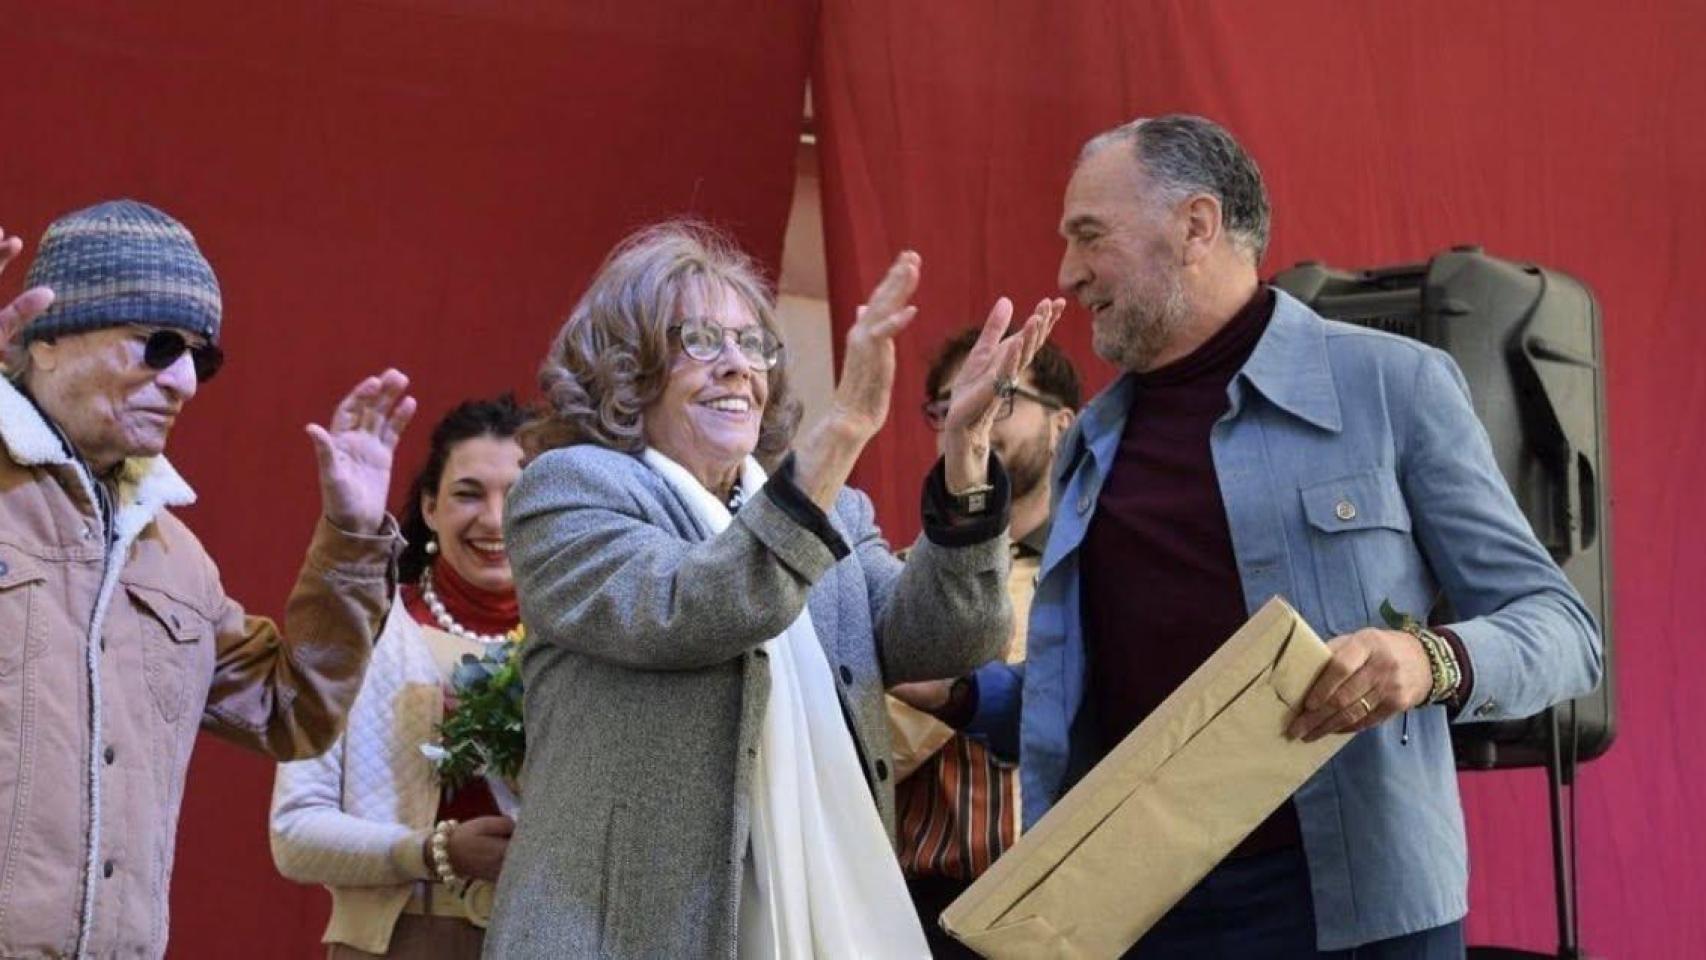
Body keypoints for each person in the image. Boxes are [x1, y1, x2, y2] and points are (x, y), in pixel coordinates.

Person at [963, 115, 1603, 957]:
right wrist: (962, 696)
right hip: (1132, 915)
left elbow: (1563, 633)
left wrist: (1428, 660)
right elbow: (1095, 693)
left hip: (1357, 915)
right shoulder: (1090, 442)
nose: (1068, 273)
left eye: (1089, 237)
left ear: (1196, 225)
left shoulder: (1393, 386)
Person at [481, 221, 1063, 959]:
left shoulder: (832, 514)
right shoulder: (568, 491)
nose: (738, 368)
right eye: (700, 342)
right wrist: (846, 426)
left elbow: (950, 638)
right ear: (627, 369)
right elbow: (691, 607)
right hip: (622, 931)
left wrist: (965, 463)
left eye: (752, 344)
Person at [0, 200, 412, 959]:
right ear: (47, 342)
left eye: (202, 356)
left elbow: (293, 711)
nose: (185, 380)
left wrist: (352, 539)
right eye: (158, 344)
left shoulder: (173, 558)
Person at [271, 396, 527, 958]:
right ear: (430, 508)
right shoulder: (359, 631)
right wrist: (435, 851)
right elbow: (293, 833)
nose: (493, 518)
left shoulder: (579, 647)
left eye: (518, 495)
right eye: (468, 493)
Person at [886, 331, 1080, 957]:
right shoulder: (897, 576)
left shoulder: (1103, 569)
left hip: (1079, 907)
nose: (971, 418)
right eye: (951, 406)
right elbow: (868, 746)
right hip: (930, 911)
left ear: (1063, 425)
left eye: (999, 398)